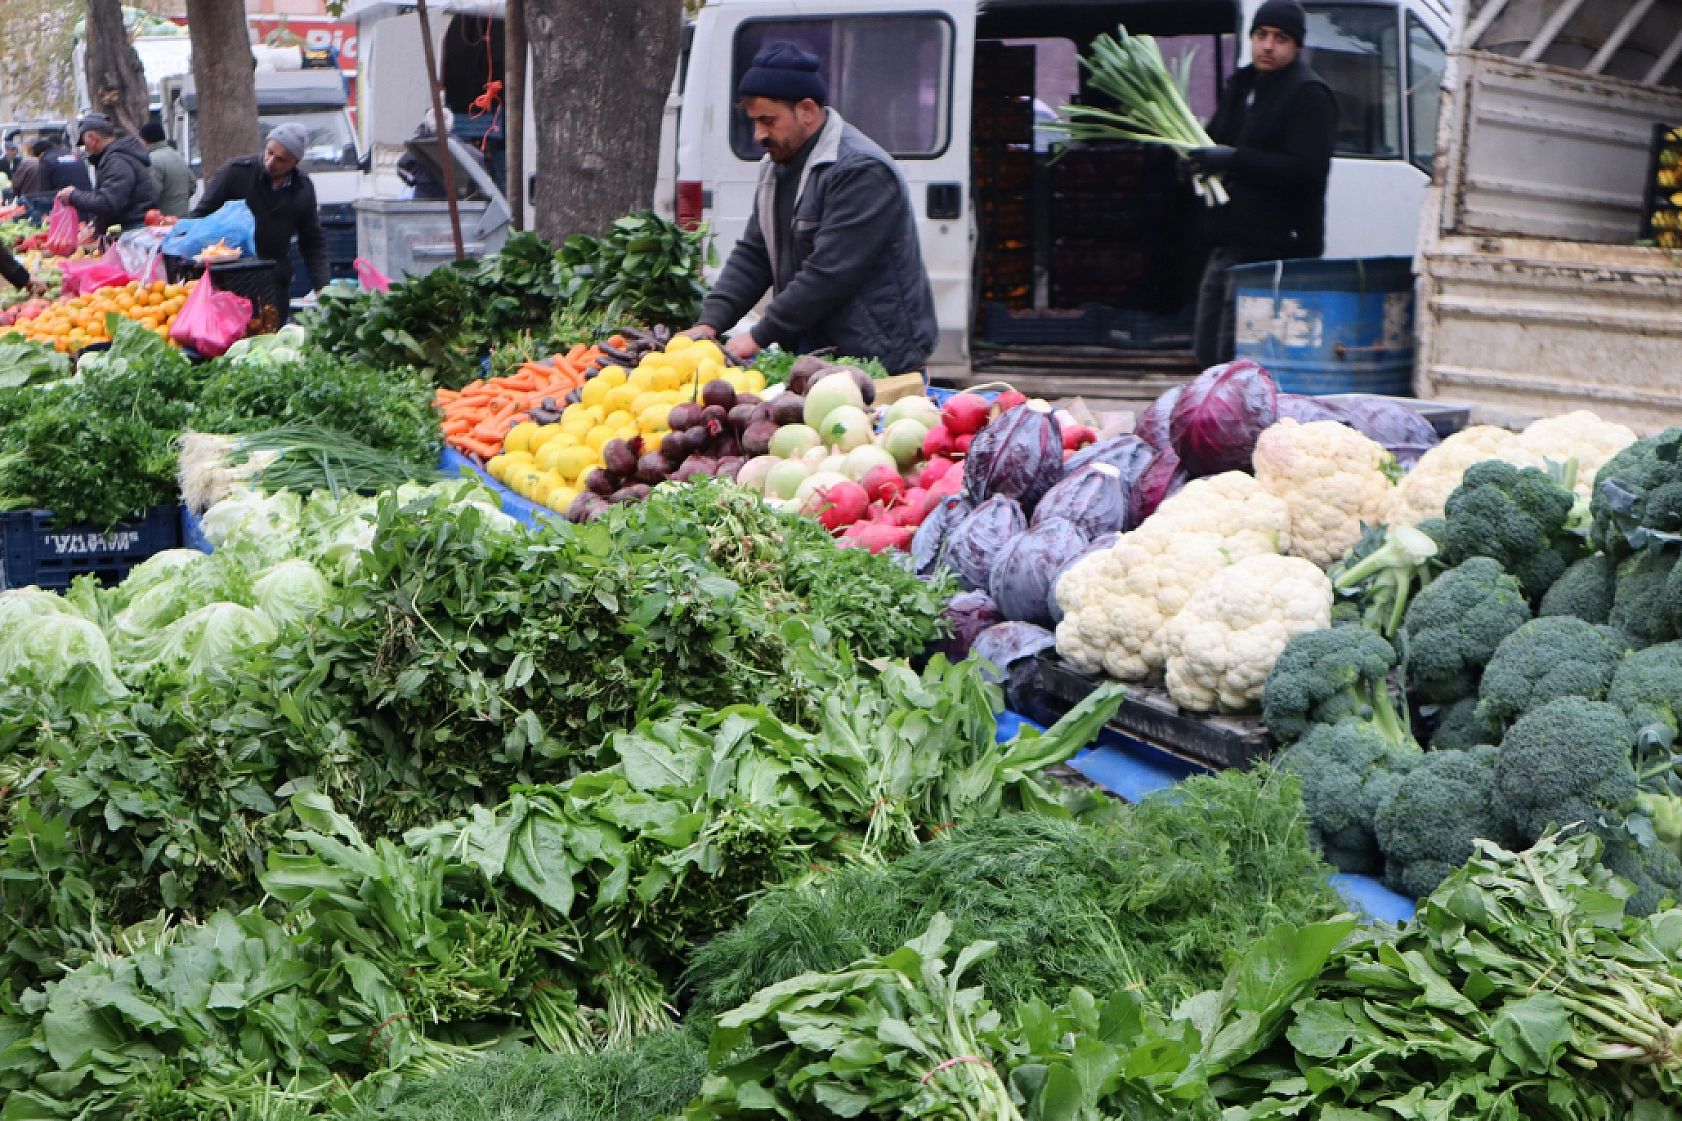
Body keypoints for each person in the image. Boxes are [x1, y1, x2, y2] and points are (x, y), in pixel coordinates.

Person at [683, 42, 937, 375]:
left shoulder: (860, 170)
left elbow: (830, 272)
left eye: (768, 121)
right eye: (754, 122)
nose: (759, 134)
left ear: (806, 110)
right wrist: (711, 323)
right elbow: (754, 254)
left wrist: (759, 336)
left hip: (875, 357)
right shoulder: (777, 165)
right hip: (813, 350)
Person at [1185, 0, 1336, 367]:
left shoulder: (1309, 94)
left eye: (1281, 38)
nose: (1268, 46)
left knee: (1237, 362)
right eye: (1261, 35)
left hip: (1271, 252)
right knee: (1206, 354)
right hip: (1227, 244)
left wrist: (1234, 160)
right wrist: (1194, 161)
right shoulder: (1242, 86)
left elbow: (1306, 172)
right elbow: (1215, 140)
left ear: (1297, 46)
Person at [192, 122, 330, 301]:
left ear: (295, 162)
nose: (271, 162)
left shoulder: (302, 189)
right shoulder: (235, 173)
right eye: (269, 152)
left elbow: (312, 241)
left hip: (274, 281)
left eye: (280, 159)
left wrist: (322, 286)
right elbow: (200, 216)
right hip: (229, 280)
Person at [58, 115, 159, 232]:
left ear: (92, 137)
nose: (85, 148)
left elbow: (107, 203)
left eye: (84, 143)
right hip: (132, 227)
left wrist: (73, 195)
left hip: (131, 231)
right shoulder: (118, 157)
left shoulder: (117, 161)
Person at [396, 108, 484, 200]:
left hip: (423, 205)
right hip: (457, 205)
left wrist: (414, 180)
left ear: (427, 126)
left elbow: (401, 167)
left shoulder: (417, 149)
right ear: (452, 126)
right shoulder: (465, 150)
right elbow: (480, 162)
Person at [140, 120, 194, 218]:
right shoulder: (177, 155)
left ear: (145, 141)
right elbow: (192, 184)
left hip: (163, 221)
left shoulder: (152, 160)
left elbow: (152, 194)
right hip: (184, 218)